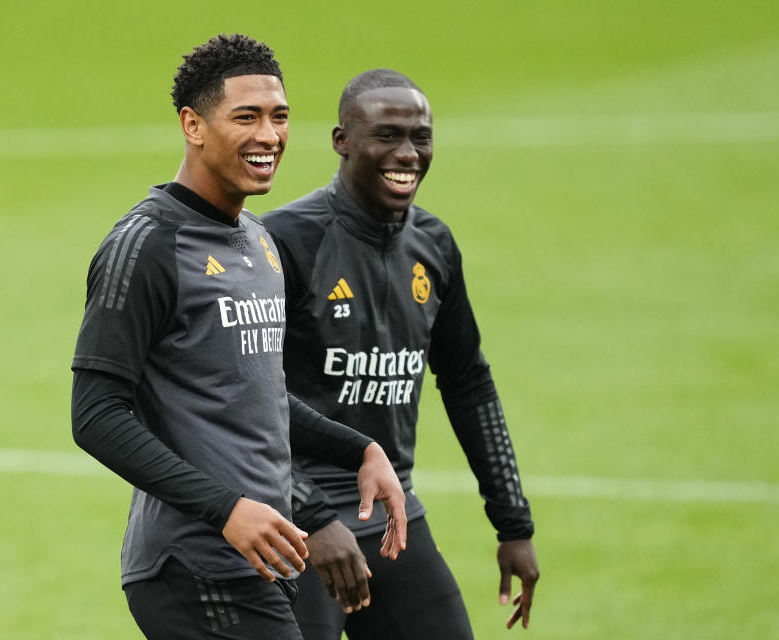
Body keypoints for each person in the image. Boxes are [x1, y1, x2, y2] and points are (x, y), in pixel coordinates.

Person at [70, 36, 407, 639]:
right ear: (192, 125)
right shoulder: (147, 245)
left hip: (259, 562)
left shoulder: (258, 241)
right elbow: (95, 415)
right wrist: (225, 509)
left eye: (279, 117)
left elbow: (254, 394)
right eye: (245, 117)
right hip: (194, 565)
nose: (269, 135)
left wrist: (357, 449)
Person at [261, 69, 539, 639]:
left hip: (390, 516)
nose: (408, 153)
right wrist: (308, 515)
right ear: (342, 141)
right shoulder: (284, 243)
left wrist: (513, 522)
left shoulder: (433, 246)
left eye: (421, 137)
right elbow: (241, 399)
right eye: (387, 135)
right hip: (293, 523)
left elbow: (468, 383)